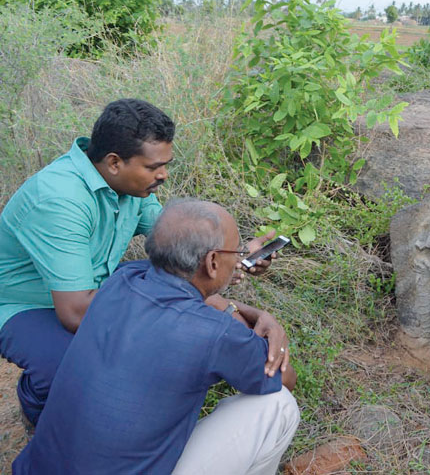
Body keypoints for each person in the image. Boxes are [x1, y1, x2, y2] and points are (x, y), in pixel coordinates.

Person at [0, 99, 287, 429]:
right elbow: (76, 314)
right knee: (70, 367)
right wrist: (165, 329)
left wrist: (231, 258)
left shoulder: (132, 187)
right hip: (26, 303)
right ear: (114, 163)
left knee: (172, 288)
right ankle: (39, 409)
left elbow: (180, 248)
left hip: (94, 284)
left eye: (165, 164)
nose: (163, 175)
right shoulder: (59, 200)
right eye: (153, 167)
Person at [13, 199, 299, 475]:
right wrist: (272, 326)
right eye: (236, 251)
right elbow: (286, 379)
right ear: (212, 262)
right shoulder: (215, 333)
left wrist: (241, 306)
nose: (239, 258)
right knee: (279, 406)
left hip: (35, 468)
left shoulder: (123, 279)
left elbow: (197, 295)